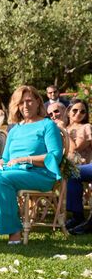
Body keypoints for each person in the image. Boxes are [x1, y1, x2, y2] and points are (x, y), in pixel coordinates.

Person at [0, 85, 63, 245]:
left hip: (40, 173)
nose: (25, 106)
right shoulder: (15, 129)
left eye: (29, 101)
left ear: (38, 102)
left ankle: (13, 232)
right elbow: (5, 158)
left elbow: (55, 156)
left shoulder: (47, 125)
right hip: (12, 171)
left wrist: (26, 159)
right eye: (21, 102)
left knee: (2, 179)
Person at [63, 99, 92, 233]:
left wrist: (65, 133)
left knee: (73, 172)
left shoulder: (86, 127)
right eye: (75, 110)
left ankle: (77, 216)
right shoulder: (64, 127)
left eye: (83, 111)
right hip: (64, 164)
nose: (78, 113)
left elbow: (74, 149)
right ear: (68, 111)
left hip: (81, 164)